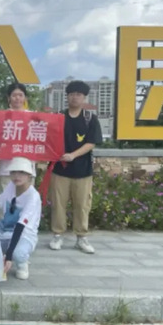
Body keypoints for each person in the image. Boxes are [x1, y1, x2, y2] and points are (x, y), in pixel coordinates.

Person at [49, 80, 103, 254]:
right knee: (58, 204)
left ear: (84, 97)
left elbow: (91, 142)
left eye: (78, 94)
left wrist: (73, 155)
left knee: (82, 205)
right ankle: (57, 235)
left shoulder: (90, 118)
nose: (74, 97)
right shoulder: (58, 117)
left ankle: (81, 237)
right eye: (71, 94)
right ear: (67, 96)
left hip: (83, 171)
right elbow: (48, 138)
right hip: (60, 170)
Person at [0, 157, 41, 280]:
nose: (17, 176)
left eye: (22, 172)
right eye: (14, 172)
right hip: (4, 230)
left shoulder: (33, 196)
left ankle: (22, 263)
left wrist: (9, 256)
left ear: (29, 176)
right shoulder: (10, 186)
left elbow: (20, 225)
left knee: (18, 253)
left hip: (24, 234)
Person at [0, 83, 35, 192]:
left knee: (26, 200)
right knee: (6, 200)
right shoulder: (1, 116)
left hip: (26, 168)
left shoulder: (34, 117)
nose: (17, 98)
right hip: (7, 169)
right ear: (9, 98)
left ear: (25, 98)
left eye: (20, 95)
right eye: (14, 95)